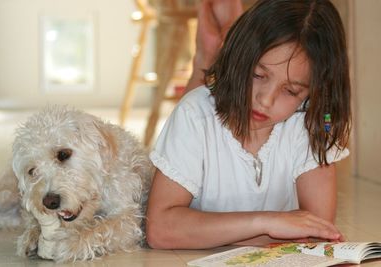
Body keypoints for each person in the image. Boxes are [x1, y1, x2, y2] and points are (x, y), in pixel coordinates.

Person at [146, 0, 351, 249]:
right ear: (239, 57)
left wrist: (206, 232)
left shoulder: (311, 122)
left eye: (291, 90)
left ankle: (218, 47)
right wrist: (267, 223)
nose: (265, 100)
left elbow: (316, 231)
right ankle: (211, 51)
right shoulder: (194, 114)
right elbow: (161, 230)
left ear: (313, 94)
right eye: (258, 75)